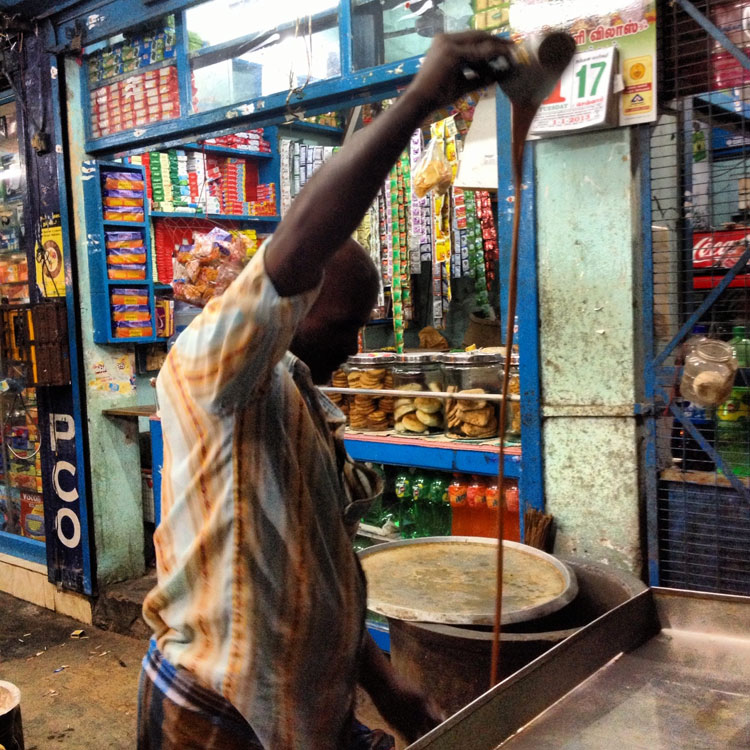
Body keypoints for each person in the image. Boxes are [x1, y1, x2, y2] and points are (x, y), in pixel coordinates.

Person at [138, 30, 512, 750]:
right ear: (294, 305)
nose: (358, 343)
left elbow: (319, 574)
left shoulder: (301, 391)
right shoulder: (210, 369)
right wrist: (417, 104)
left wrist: (385, 685)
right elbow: (301, 246)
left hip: (310, 707)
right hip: (220, 712)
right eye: (345, 324)